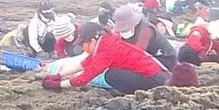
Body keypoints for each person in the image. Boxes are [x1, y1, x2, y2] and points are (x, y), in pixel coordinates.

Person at [42, 22, 170, 94]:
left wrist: (59, 85)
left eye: (83, 44)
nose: (83, 48)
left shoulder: (106, 50)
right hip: (158, 73)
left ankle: (138, 93)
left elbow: (85, 77)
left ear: (92, 40)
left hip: (154, 79)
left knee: (111, 75)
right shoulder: (106, 41)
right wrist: (59, 75)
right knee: (112, 73)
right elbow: (85, 63)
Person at [114, 4, 177, 70]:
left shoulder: (145, 30)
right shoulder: (123, 32)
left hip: (165, 59)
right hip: (148, 56)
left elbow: (137, 54)